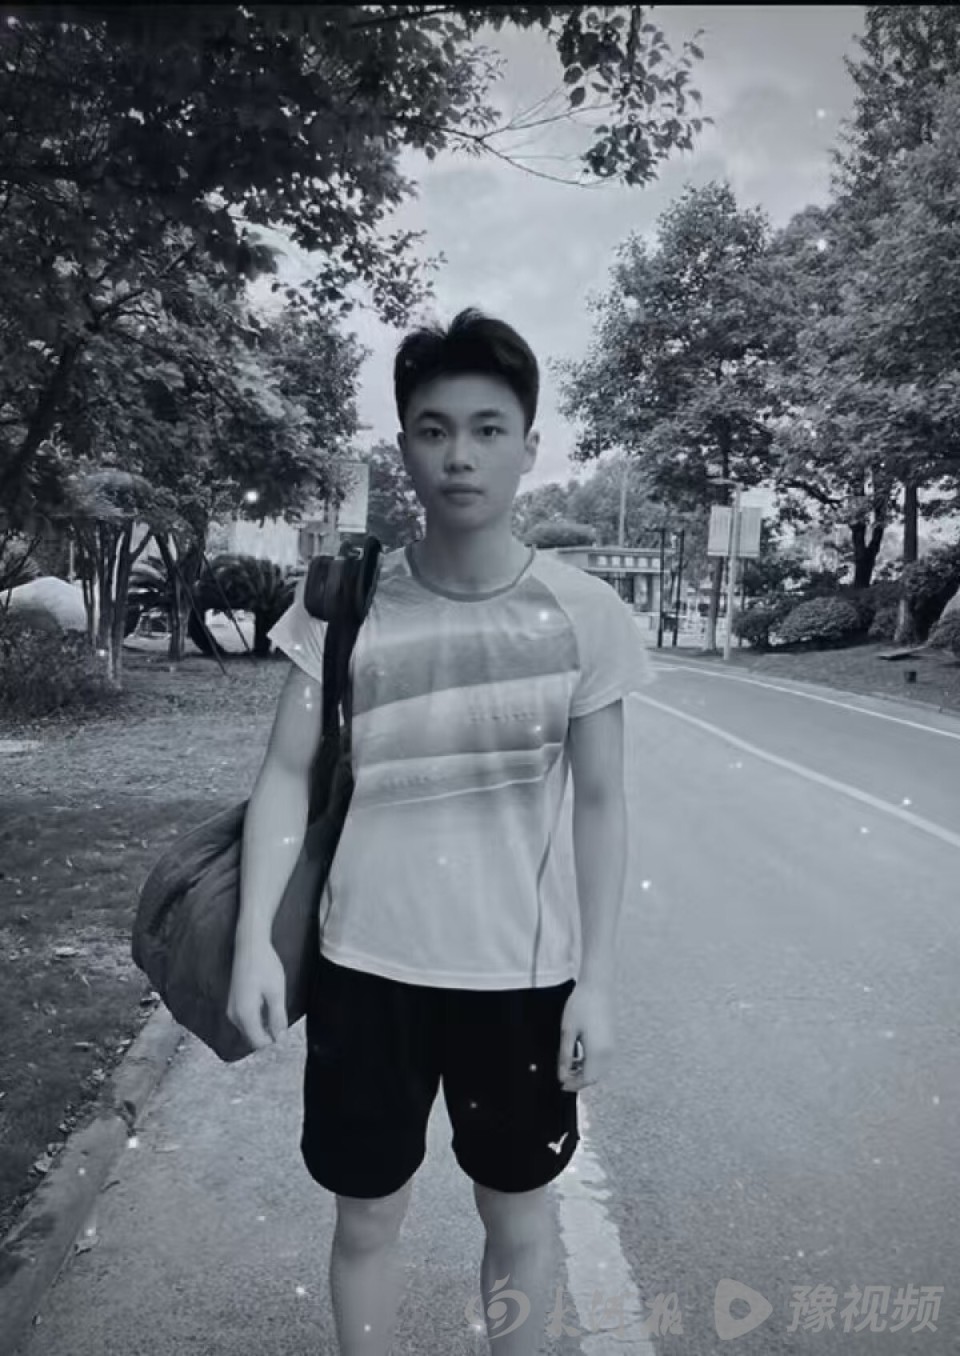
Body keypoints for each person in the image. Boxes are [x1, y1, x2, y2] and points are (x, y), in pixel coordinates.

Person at [226, 308, 654, 1356]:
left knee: (518, 1217)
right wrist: (252, 945)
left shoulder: (585, 613)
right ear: (405, 446)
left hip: (521, 978)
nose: (459, 454)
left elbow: (602, 804)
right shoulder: (346, 603)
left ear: (529, 447)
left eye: (487, 429)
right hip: (365, 969)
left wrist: (597, 982)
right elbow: (285, 773)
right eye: (433, 428)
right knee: (366, 1217)